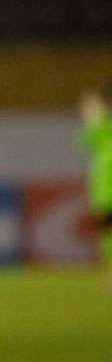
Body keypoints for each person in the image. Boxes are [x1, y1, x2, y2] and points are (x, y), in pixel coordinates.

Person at [80, 80, 112, 273]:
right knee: (107, 230)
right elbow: (87, 139)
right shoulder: (101, 129)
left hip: (104, 188)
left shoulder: (100, 127)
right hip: (104, 188)